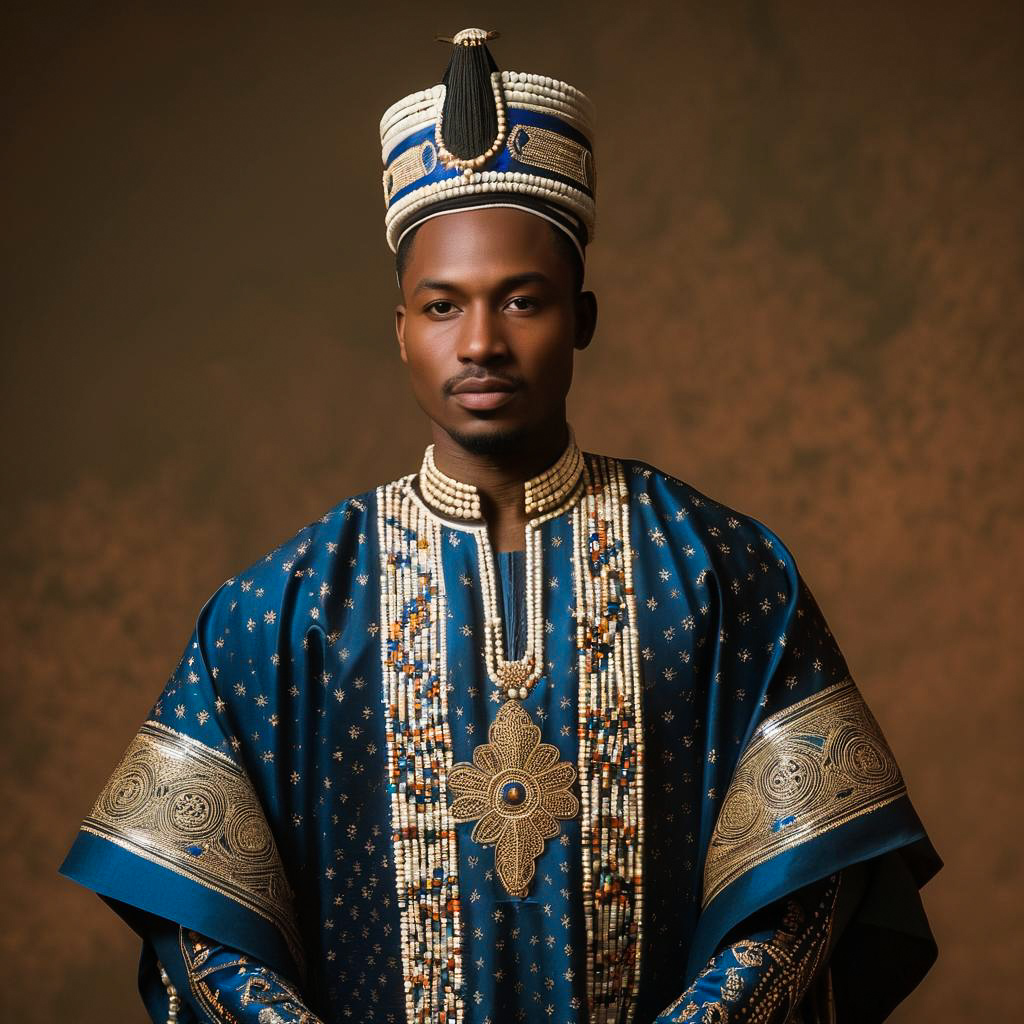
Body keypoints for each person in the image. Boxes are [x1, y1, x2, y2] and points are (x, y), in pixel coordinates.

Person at [60, 27, 941, 1024]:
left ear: (584, 316)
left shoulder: (719, 573)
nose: (480, 342)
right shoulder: (287, 608)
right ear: (400, 330)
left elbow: (811, 889)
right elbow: (198, 925)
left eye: (521, 300)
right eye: (443, 306)